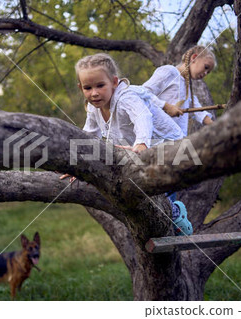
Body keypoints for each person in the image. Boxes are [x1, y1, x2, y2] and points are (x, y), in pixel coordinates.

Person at [61, 53, 192, 236]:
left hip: (168, 145)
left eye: (100, 85)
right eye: (88, 88)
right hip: (144, 150)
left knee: (158, 189)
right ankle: (162, 221)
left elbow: (142, 117)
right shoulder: (93, 107)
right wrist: (77, 164)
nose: (94, 93)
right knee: (136, 187)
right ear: (80, 88)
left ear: (114, 82)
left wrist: (141, 143)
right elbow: (89, 135)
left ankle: (176, 214)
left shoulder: (126, 98)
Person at [143, 45, 216, 137]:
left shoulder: (188, 88)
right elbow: (143, 92)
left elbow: (197, 110)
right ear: (194, 58)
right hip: (156, 137)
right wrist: (165, 106)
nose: (206, 73)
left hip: (176, 140)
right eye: (206, 67)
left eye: (208, 72)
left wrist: (214, 125)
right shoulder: (169, 71)